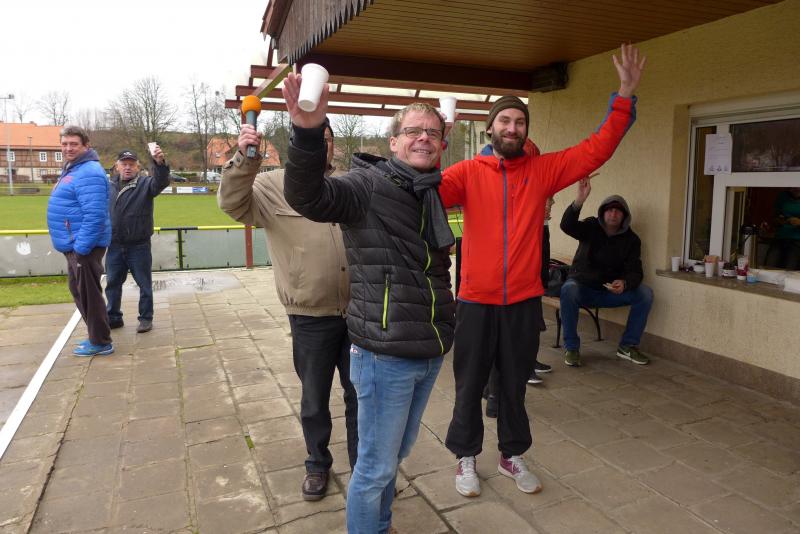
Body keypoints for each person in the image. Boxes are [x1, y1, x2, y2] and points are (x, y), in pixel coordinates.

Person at [439, 43, 645, 498]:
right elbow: (426, 189)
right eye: (505, 121)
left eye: (520, 121)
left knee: (514, 386)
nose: (512, 128)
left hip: (522, 301)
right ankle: (465, 457)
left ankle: (511, 455)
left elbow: (595, 150)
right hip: (475, 300)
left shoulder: (544, 170)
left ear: (526, 130)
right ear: (490, 127)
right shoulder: (468, 172)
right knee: (469, 385)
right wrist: (438, 139)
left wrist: (624, 95)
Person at [281, 74, 455, 534]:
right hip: (385, 353)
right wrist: (306, 134)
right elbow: (308, 196)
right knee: (376, 467)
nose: (423, 138)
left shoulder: (426, 189)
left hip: (428, 347)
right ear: (393, 142)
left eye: (432, 133)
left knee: (393, 456)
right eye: (413, 131)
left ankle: (379, 524)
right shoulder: (367, 185)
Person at [217, 122, 358, 502]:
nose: (321, 147)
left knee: (360, 395)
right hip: (310, 314)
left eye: (326, 141)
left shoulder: (348, 183)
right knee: (314, 398)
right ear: (296, 145)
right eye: (312, 140)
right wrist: (245, 159)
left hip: (358, 311)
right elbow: (232, 204)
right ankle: (317, 463)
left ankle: (364, 470)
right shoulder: (272, 185)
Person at [559, 177, 654, 366]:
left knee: (645, 293)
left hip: (610, 293)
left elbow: (635, 271)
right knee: (568, 289)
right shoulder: (591, 226)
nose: (613, 214)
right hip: (583, 289)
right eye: (610, 210)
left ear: (624, 216)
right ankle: (572, 348)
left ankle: (628, 346)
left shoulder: (632, 240)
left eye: (618, 211)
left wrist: (625, 283)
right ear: (603, 212)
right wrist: (579, 200)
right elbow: (567, 226)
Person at [484, 195, 555, 417]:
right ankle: (495, 394)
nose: (551, 205)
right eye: (548, 201)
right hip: (509, 288)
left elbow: (542, 261)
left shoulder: (536, 226)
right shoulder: (517, 222)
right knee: (505, 339)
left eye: (551, 202)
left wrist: (543, 221)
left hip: (527, 288)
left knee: (522, 334)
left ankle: (499, 386)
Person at [46, 125, 113, 356]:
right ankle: (97, 336)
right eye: (64, 144)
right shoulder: (74, 168)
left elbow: (95, 215)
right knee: (79, 291)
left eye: (74, 144)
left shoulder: (89, 172)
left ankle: (101, 342)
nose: (68, 148)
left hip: (84, 246)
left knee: (89, 295)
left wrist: (81, 248)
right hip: (76, 245)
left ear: (86, 145)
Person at [105, 148, 170, 334]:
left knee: (144, 284)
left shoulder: (146, 184)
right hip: (114, 244)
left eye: (131, 164)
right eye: (124, 164)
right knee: (112, 284)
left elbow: (161, 181)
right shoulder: (108, 186)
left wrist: (159, 164)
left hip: (138, 245)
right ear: (117, 166)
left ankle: (146, 318)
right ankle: (113, 317)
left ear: (138, 167)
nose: (127, 167)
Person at [763, 187, 800, 270]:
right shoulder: (782, 196)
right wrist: (780, 220)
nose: (795, 190)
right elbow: (775, 217)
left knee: (790, 269)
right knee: (769, 265)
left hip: (797, 241)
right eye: (793, 188)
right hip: (780, 237)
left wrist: (799, 222)